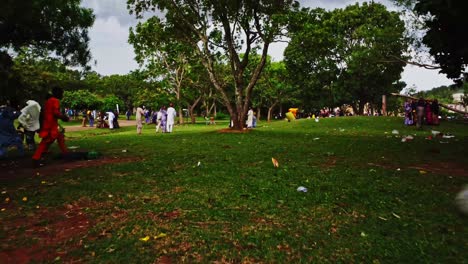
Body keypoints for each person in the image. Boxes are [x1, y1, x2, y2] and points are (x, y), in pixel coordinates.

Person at [32, 87, 69, 167]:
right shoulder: (55, 100)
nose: (62, 95)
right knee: (46, 141)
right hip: (50, 125)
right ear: (57, 93)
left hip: (49, 124)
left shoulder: (48, 101)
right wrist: (63, 117)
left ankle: (66, 154)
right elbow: (55, 113)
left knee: (59, 137)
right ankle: (36, 158)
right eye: (61, 93)